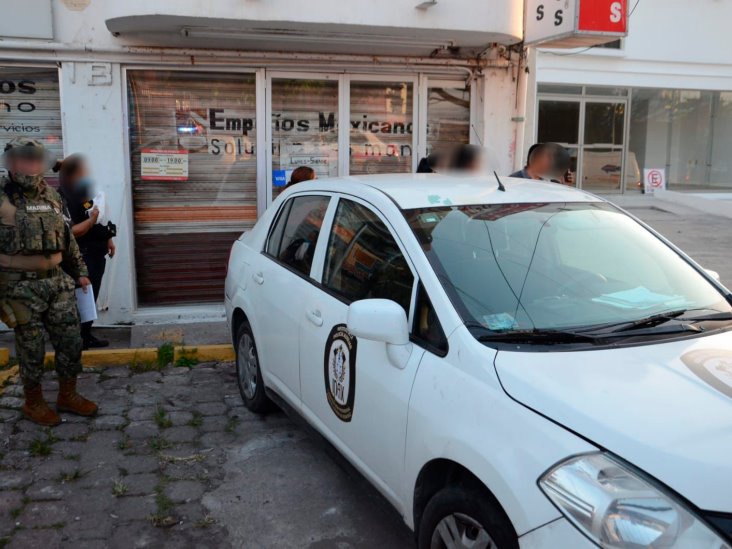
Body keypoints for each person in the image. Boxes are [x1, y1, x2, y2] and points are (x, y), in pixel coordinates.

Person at [0, 137, 98, 426]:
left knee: (71, 342)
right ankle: (33, 402)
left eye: (34, 158)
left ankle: (67, 395)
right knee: (31, 349)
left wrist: (80, 271)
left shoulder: (53, 198)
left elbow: (67, 239)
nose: (29, 164)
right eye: (22, 158)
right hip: (18, 288)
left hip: (57, 284)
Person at [55, 155, 116, 349]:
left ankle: (85, 334)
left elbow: (97, 216)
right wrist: (92, 221)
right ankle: (78, 338)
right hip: (82, 254)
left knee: (91, 295)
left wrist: (108, 238)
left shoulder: (83, 194)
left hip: (96, 252)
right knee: (83, 298)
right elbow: (71, 231)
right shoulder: (62, 197)